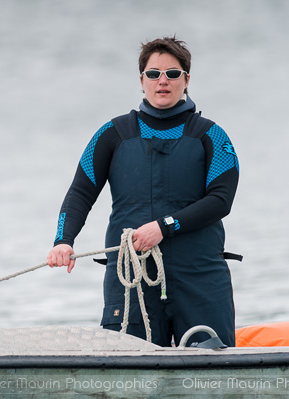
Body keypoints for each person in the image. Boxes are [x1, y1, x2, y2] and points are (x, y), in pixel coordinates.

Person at [46, 36, 239, 347]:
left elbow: (220, 200)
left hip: (200, 277)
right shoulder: (112, 135)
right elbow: (81, 192)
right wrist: (63, 241)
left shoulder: (212, 136)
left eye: (173, 74)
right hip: (130, 281)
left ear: (186, 80)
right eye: (153, 74)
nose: (162, 81)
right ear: (141, 80)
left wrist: (164, 227)